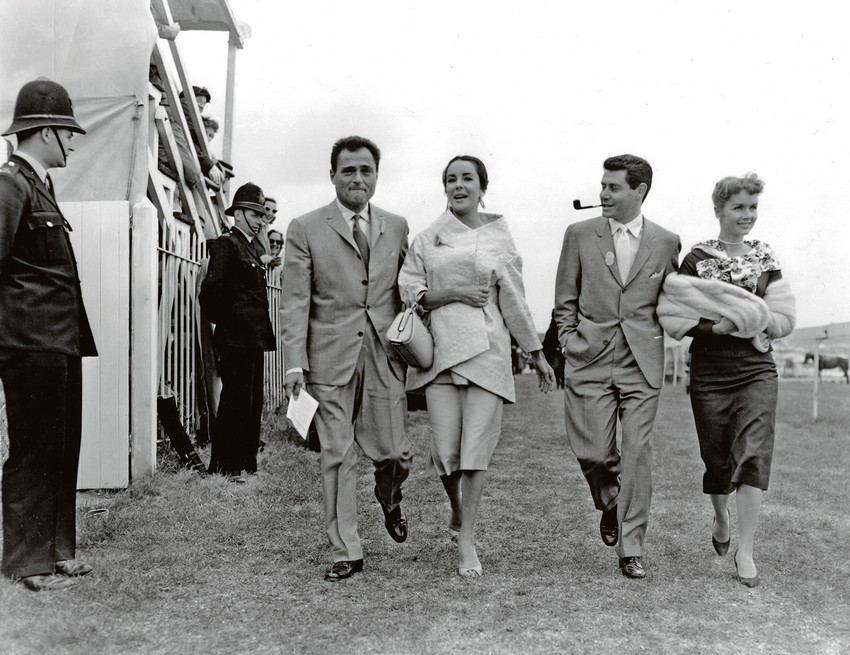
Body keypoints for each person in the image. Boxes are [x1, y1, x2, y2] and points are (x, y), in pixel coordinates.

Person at [398, 155, 555, 578]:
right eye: (451, 179)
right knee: (445, 452)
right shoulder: (428, 238)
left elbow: (515, 299)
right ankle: (457, 508)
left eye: (467, 178)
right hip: (440, 354)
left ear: (482, 187)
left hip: (488, 353)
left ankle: (466, 539)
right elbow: (409, 288)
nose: (458, 185)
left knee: (476, 449)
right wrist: (453, 292)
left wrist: (536, 353)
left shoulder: (499, 234)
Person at [280, 136, 412, 581]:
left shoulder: (397, 226)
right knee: (337, 454)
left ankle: (389, 495)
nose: (357, 178)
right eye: (348, 170)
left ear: (377, 176)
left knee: (394, 453)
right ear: (333, 175)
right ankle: (346, 550)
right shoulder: (305, 227)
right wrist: (294, 363)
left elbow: (407, 287)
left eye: (365, 170)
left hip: (384, 355)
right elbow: (294, 302)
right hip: (328, 360)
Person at [657, 173, 795, 587]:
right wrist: (713, 327)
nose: (747, 215)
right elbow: (673, 313)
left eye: (753, 207)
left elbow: (783, 314)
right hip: (710, 370)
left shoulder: (766, 256)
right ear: (718, 210)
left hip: (756, 368)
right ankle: (720, 516)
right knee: (717, 459)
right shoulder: (697, 258)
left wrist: (762, 323)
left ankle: (746, 550)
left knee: (753, 455)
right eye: (738, 207)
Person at [554, 154, 681, 579]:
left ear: (639, 191)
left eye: (613, 187)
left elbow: (672, 301)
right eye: (603, 186)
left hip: (641, 362)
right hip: (589, 356)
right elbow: (564, 298)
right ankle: (610, 500)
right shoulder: (579, 234)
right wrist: (569, 340)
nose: (603, 194)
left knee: (638, 454)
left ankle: (632, 547)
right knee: (592, 452)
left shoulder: (667, 242)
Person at [0, 79, 98, 591]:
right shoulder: (9, 185)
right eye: (68, 133)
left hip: (57, 341)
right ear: (44, 132)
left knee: (60, 447)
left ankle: (57, 551)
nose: (73, 143)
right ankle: (26, 563)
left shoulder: (38, 184)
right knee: (34, 451)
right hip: (28, 343)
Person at [199, 182, 276, 482]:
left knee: (251, 402)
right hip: (235, 338)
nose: (260, 221)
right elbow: (210, 293)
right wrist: (229, 324)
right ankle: (226, 466)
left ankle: (245, 462)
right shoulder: (226, 244)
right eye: (255, 215)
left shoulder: (251, 246)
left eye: (262, 216)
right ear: (239, 213)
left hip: (253, 338)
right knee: (235, 402)